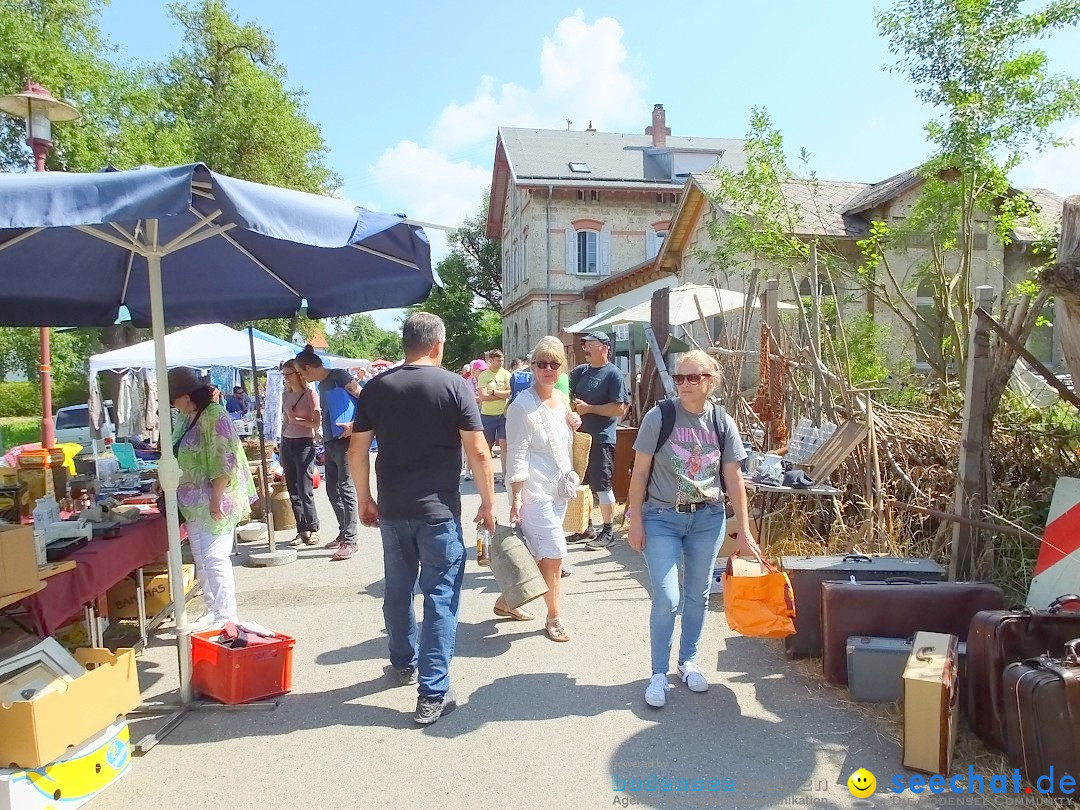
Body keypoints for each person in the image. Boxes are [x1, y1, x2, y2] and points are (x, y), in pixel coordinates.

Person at [349, 312, 496, 726]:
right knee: (440, 597)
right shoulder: (456, 386)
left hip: (394, 508)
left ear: (406, 344)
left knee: (398, 590)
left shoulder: (377, 387)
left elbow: (356, 451)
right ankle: (432, 692)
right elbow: (479, 452)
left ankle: (402, 661)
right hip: (439, 511)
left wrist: (365, 498)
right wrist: (488, 502)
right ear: (438, 344)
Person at [626, 350, 761, 708]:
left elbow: (734, 479)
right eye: (679, 377)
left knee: (698, 595)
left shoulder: (721, 422)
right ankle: (658, 674)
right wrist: (634, 519)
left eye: (693, 377)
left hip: (707, 518)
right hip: (661, 517)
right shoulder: (661, 416)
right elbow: (639, 472)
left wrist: (744, 531)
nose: (684, 384)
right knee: (668, 597)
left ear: (710, 381)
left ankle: (688, 662)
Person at [502, 337, 583, 641]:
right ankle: (554, 616)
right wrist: (516, 497)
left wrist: (574, 423)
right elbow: (517, 453)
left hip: (558, 489)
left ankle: (508, 600)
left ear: (563, 368)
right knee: (555, 555)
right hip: (534, 493)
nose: (548, 369)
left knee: (542, 555)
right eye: (542, 363)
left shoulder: (561, 400)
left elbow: (562, 443)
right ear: (532, 367)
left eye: (555, 364)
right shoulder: (522, 405)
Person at [167, 367, 256, 629]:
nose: (173, 406)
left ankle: (226, 616)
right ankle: (212, 608)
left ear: (184, 396)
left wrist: (217, 497)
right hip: (194, 502)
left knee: (216, 558)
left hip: (215, 499)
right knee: (202, 558)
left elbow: (223, 460)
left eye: (173, 400)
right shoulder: (189, 416)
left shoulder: (214, 415)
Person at [295, 346, 361, 561]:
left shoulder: (339, 376)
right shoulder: (322, 384)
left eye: (302, 373)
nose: (302, 377)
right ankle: (345, 533)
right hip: (331, 441)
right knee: (332, 490)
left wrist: (355, 424)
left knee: (346, 488)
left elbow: (366, 398)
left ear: (308, 368)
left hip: (347, 440)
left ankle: (351, 539)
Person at [569, 331, 629, 550]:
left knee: (602, 486)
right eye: (584, 344)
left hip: (602, 439)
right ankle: (586, 528)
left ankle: (608, 531)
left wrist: (589, 409)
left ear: (604, 347)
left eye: (590, 344)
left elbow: (620, 408)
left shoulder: (613, 374)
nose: (585, 348)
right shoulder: (580, 373)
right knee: (580, 485)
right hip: (579, 438)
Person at [280, 359, 321, 547]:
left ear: (297, 374)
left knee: (305, 489)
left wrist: (299, 421)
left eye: (288, 374)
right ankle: (301, 529)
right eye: (284, 375)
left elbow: (316, 423)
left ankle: (313, 528)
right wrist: (280, 447)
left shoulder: (310, 394)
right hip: (288, 442)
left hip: (304, 443)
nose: (285, 378)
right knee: (293, 489)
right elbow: (284, 422)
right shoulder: (285, 395)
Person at [477, 350, 512, 486]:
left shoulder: (506, 374)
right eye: (498, 360)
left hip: (503, 414)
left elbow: (510, 392)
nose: (501, 362)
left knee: (504, 445)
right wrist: (499, 394)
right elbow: (482, 396)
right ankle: (487, 476)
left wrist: (493, 392)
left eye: (502, 360)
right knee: (487, 447)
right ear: (490, 361)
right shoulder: (484, 375)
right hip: (487, 415)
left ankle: (505, 475)